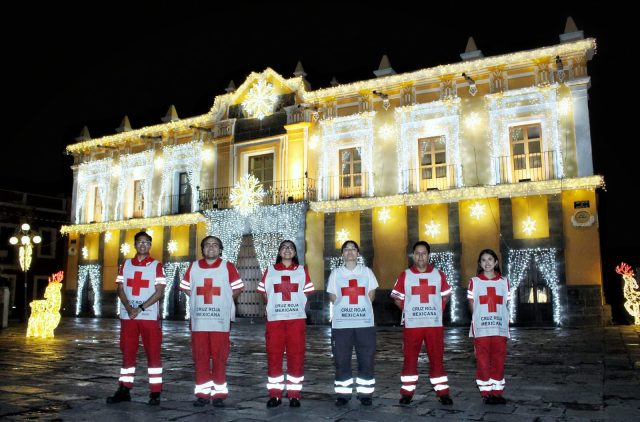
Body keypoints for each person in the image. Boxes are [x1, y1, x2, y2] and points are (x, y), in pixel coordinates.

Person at [180, 236, 244, 407]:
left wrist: (225, 301)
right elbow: (187, 288)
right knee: (200, 357)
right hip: (199, 321)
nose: (211, 248)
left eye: (215, 245)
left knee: (219, 357)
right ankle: (202, 393)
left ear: (220, 249)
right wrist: (199, 302)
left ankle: (219, 394)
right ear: (202, 249)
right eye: (207, 245)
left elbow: (238, 288)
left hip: (220, 322)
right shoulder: (193, 267)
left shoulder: (228, 266)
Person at [390, 240, 453, 406]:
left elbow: (445, 295)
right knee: (410, 359)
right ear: (413, 255)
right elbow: (397, 297)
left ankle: (443, 392)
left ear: (429, 255)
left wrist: (437, 309)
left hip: (434, 324)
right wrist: (408, 309)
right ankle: (407, 393)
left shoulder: (438, 274)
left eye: (423, 253)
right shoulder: (406, 275)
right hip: (412, 325)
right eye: (417, 253)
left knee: (437, 358)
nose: (420, 256)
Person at [107, 231, 166, 405]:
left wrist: (140, 308)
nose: (143, 245)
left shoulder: (157, 265)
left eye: (146, 242)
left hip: (148, 317)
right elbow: (120, 288)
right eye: (140, 242)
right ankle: (124, 389)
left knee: (153, 354)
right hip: (128, 316)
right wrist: (128, 307)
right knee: (127, 353)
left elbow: (159, 292)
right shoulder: (125, 264)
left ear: (150, 245)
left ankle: (155, 393)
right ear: (135, 244)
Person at [257, 240, 314, 408]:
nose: (287, 250)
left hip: (296, 320)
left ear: (295, 253)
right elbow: (264, 294)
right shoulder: (271, 270)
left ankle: (294, 395)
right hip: (275, 321)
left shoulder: (303, 271)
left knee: (296, 356)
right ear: (279, 252)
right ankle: (274, 395)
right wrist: (274, 308)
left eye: (290, 248)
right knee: (274, 356)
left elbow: (307, 294)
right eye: (284, 247)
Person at [327, 240, 378, 407]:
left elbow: (371, 294)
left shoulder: (367, 272)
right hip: (342, 324)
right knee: (341, 359)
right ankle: (343, 394)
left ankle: (365, 394)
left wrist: (358, 308)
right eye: (346, 249)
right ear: (342, 254)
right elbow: (333, 296)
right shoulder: (336, 273)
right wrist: (346, 308)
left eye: (353, 249)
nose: (349, 252)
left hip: (364, 323)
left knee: (366, 358)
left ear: (358, 253)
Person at [467, 249, 511, 405]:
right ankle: (486, 392)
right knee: (483, 360)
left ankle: (497, 392)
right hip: (481, 328)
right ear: (480, 263)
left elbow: (505, 302)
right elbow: (472, 303)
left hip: (499, 327)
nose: (487, 263)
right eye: (483, 260)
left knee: (499, 359)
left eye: (490, 259)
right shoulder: (474, 282)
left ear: (496, 262)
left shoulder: (504, 281)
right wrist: (478, 318)